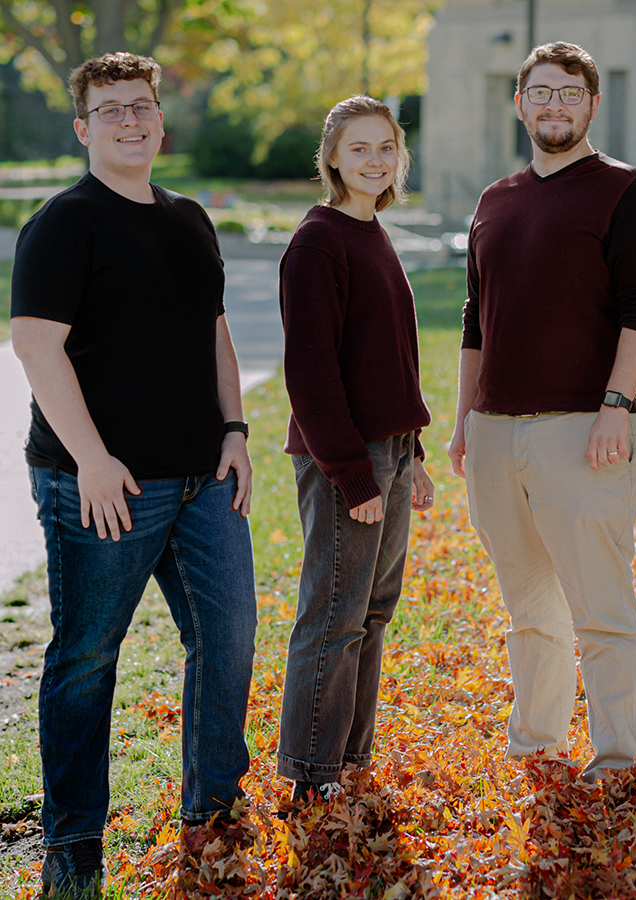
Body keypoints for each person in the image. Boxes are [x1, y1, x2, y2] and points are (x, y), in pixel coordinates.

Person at [10, 52, 258, 898]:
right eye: (111, 109)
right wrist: (93, 460)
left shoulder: (190, 217)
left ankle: (215, 816)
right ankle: (74, 848)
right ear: (83, 128)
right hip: (102, 488)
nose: (130, 120)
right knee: (86, 659)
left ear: (160, 120)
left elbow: (215, 333)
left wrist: (235, 431)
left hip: (202, 482)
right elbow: (36, 348)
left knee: (225, 645)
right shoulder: (63, 223)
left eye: (142, 106)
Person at [448, 42, 636, 783]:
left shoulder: (625, 191)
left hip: (585, 430)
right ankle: (537, 748)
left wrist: (618, 402)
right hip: (495, 433)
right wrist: (462, 421)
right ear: (520, 103)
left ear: (591, 104)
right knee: (528, 608)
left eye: (569, 93)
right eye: (541, 93)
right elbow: (478, 320)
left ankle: (619, 759)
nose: (554, 106)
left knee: (600, 607)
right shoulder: (495, 199)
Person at [277, 96, 434, 802]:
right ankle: (312, 775)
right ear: (332, 157)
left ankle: (349, 756)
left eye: (386, 147)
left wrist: (415, 457)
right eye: (359, 147)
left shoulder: (373, 231)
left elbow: (387, 357)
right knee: (334, 615)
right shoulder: (319, 241)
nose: (375, 159)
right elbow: (311, 373)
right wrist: (352, 475)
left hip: (391, 451)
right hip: (349, 458)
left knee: (372, 612)